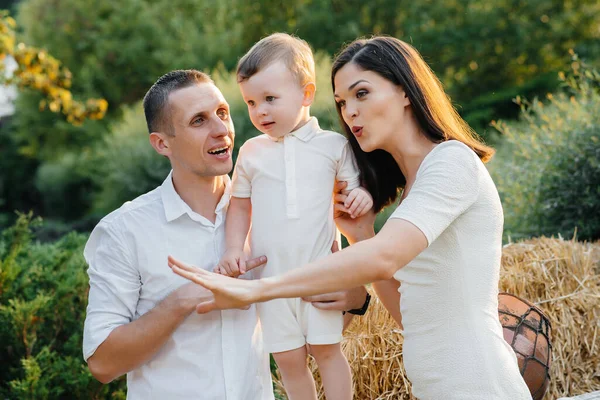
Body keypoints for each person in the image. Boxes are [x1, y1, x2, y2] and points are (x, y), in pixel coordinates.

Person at [168, 37, 533, 400]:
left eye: (362, 94)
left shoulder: (452, 162)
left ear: (405, 90)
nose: (349, 112)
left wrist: (259, 287)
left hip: (482, 387)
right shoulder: (410, 188)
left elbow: (384, 257)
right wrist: (360, 235)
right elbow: (414, 317)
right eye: (342, 102)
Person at [82, 69, 369, 400]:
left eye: (222, 113)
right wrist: (185, 299)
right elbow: (103, 364)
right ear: (162, 143)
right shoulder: (123, 231)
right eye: (199, 121)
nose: (222, 131)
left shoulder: (279, 212)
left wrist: (356, 299)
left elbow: (316, 327)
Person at [217, 33, 373, 400]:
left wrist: (361, 196)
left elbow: (353, 189)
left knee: (326, 351)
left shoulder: (333, 146)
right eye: (252, 102)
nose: (261, 112)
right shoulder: (251, 152)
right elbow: (240, 205)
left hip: (320, 274)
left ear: (305, 94)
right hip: (270, 279)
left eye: (271, 99)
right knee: (287, 359)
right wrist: (232, 249)